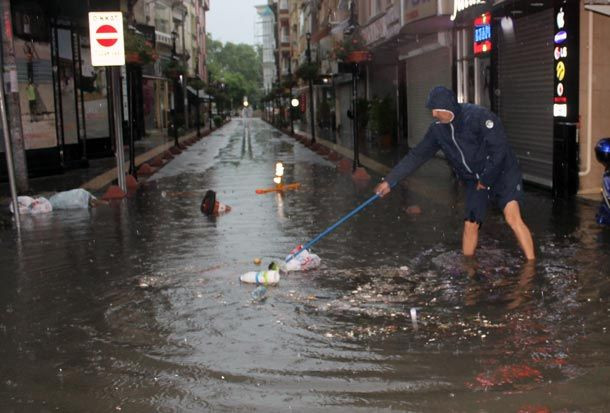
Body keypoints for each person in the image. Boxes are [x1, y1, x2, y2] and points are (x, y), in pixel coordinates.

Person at [374, 86, 535, 261]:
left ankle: (531, 265)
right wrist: (389, 181)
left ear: (447, 108)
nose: (433, 114)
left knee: (512, 217)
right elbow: (416, 155)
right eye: (432, 110)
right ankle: (468, 269)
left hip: (503, 171)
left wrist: (486, 178)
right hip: (475, 178)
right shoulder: (437, 130)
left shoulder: (478, 116)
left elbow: (500, 149)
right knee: (470, 225)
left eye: (436, 110)